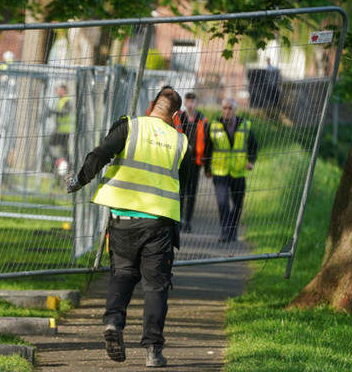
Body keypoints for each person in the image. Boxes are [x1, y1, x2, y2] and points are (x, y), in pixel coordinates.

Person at [65, 86, 193, 368]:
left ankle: (113, 322)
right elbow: (185, 183)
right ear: (175, 115)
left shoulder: (130, 127)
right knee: (156, 287)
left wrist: (78, 181)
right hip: (159, 223)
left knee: (121, 274)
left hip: (123, 219)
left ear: (151, 105)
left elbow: (100, 154)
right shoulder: (182, 143)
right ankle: (152, 351)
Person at [204, 98, 258, 243]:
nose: (227, 111)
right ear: (222, 110)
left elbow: (253, 145)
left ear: (235, 110)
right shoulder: (214, 126)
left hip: (239, 171)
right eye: (225, 108)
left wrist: (251, 161)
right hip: (220, 171)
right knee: (223, 203)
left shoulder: (245, 125)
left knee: (238, 204)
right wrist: (207, 168)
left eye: (230, 108)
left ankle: (233, 230)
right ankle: (225, 232)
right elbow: (207, 148)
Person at [173, 92, 208, 233]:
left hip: (196, 161)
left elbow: (207, 141)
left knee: (192, 193)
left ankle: (188, 221)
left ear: (196, 103)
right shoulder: (179, 118)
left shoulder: (202, 119)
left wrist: (206, 163)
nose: (190, 104)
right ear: (185, 103)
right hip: (181, 160)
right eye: (188, 101)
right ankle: (179, 219)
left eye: (193, 101)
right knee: (181, 191)